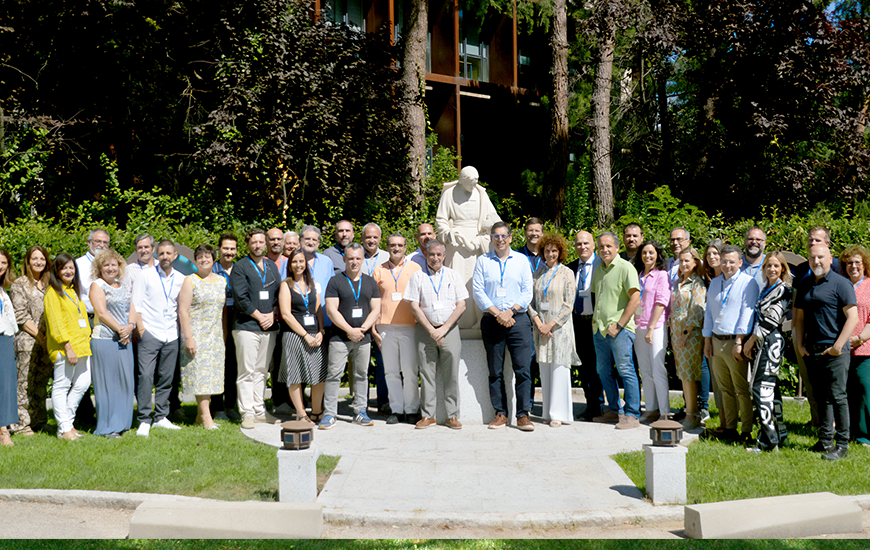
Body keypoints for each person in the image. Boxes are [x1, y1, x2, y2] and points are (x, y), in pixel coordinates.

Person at [794, 245, 857, 461]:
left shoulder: (842, 284)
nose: (816, 261)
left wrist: (839, 345)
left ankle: (842, 445)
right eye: (812, 258)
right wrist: (800, 343)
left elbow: (853, 318)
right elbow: (799, 319)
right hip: (813, 350)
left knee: (838, 397)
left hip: (835, 351)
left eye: (821, 257)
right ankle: (825, 440)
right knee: (821, 397)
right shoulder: (804, 284)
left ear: (830, 259)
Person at [472, 221, 535, 431]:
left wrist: (511, 311)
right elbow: (478, 291)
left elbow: (528, 291)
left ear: (510, 237)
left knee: (523, 369)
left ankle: (523, 415)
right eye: (496, 236)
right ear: (491, 238)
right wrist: (498, 313)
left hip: (519, 320)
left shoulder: (521, 260)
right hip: (492, 320)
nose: (500, 240)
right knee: (495, 371)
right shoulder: (483, 261)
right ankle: (500, 413)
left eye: (504, 236)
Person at [405, 240, 467, 429]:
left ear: (444, 255)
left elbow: (461, 305)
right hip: (425, 331)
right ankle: (428, 415)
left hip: (449, 330)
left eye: (439, 254)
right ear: (426, 255)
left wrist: (443, 328)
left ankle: (452, 415)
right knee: (426, 374)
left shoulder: (453, 276)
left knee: (451, 374)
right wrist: (432, 330)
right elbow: (414, 306)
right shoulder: (417, 277)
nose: (435, 258)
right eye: (432, 254)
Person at [702, 244, 759, 442]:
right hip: (716, 341)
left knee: (741, 388)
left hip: (735, 342)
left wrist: (739, 341)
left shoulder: (748, 283)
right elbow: (709, 313)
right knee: (724, 388)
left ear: (740, 263)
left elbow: (746, 313)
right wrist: (707, 340)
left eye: (732, 262)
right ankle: (729, 427)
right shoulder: (715, 282)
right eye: (724, 261)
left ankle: (746, 431)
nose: (727, 265)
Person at [322, 243, 381, 429]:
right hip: (340, 337)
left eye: (358, 258)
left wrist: (362, 329)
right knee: (334, 375)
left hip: (363, 337)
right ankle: (330, 413)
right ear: (345, 259)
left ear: (362, 260)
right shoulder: (335, 281)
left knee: (362, 375)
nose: (354, 262)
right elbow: (331, 311)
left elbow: (376, 309)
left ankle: (360, 411)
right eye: (351, 258)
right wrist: (349, 330)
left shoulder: (370, 282)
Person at [437, 166, 501, 330]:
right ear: (463, 180)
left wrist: (484, 235)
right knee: (456, 280)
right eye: (470, 183)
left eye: (476, 182)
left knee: (476, 282)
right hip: (456, 243)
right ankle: (457, 321)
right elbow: (441, 220)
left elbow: (492, 218)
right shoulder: (449, 194)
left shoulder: (481, 194)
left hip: (477, 242)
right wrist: (448, 234)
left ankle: (478, 321)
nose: (474, 186)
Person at [132, 241, 185, 436]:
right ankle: (145, 419)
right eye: (161, 253)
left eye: (168, 253)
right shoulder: (145, 276)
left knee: (166, 378)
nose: (165, 256)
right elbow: (136, 305)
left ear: (175, 255)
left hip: (171, 334)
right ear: (156, 253)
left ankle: (161, 416)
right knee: (145, 376)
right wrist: (141, 329)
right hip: (150, 332)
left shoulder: (181, 279)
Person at [231, 228, 282, 430]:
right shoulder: (240, 267)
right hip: (247, 326)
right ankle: (247, 413)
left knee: (262, 371)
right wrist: (260, 316)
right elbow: (240, 298)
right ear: (248, 244)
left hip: (269, 327)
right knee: (247, 371)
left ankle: (260, 411)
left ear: (266, 244)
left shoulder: (271, 266)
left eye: (262, 242)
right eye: (254, 242)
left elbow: (279, 293)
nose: (258, 245)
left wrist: (274, 312)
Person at [527, 234, 580, 427]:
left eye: (554, 251)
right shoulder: (537, 273)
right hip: (540, 329)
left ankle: (559, 413)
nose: (550, 254)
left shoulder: (567, 273)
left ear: (560, 252)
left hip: (559, 329)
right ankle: (548, 412)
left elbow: (568, 304)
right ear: (542, 252)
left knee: (558, 368)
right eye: (547, 250)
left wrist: (550, 325)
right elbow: (529, 302)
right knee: (545, 368)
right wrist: (539, 322)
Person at [591, 232, 642, 430]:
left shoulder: (625, 268)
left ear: (617, 248)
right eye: (601, 247)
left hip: (619, 330)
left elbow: (635, 299)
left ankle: (632, 414)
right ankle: (614, 410)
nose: (604, 250)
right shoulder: (599, 270)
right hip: (600, 330)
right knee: (603, 371)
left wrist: (619, 325)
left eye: (608, 246)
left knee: (626, 370)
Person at [742, 251, 792, 452]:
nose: (772, 269)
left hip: (770, 342)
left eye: (776, 266)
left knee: (760, 388)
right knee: (771, 389)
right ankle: (780, 434)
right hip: (764, 342)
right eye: (769, 265)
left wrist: (751, 340)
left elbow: (772, 319)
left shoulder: (784, 290)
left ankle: (768, 441)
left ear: (783, 269)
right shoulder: (766, 288)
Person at [372, 233, 422, 424]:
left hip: (410, 326)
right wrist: (374, 325)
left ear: (405, 247)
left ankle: (411, 410)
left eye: (400, 245)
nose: (396, 248)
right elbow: (374, 299)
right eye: (392, 245)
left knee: (410, 371)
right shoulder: (379, 270)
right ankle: (396, 409)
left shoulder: (415, 268)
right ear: (387, 247)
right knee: (391, 371)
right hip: (386, 327)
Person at [88, 250, 136, 438]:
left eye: (113, 264)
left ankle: (123, 423)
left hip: (125, 340)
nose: (110, 268)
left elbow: (132, 307)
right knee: (108, 385)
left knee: (124, 382)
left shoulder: (123, 285)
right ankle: (108, 427)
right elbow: (101, 312)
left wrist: (130, 326)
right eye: (106, 265)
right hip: (106, 340)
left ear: (119, 267)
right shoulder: (97, 285)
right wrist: (121, 329)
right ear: (99, 268)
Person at [44, 253, 92, 440]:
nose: (69, 270)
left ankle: (67, 423)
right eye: (64, 267)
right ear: (56, 271)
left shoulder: (72, 291)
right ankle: (64, 428)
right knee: (62, 386)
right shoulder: (53, 293)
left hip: (82, 346)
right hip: (66, 348)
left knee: (83, 383)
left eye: (71, 267)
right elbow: (56, 323)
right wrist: (67, 346)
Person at [178, 245, 227, 430]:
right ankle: (207, 418)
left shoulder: (222, 281)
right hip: (196, 334)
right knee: (200, 377)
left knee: (212, 377)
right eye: (200, 257)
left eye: (207, 256)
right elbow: (183, 311)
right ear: (195, 260)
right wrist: (189, 338)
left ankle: (200, 415)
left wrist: (223, 335)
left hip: (214, 336)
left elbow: (223, 310)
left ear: (213, 259)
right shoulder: (190, 281)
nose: (204, 259)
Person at [277, 249, 326, 424]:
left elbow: (319, 310)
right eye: (295, 261)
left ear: (306, 264)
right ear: (290, 265)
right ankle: (301, 413)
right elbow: (286, 314)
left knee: (319, 375)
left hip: (315, 335)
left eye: (301, 261)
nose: (298, 265)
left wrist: (321, 331)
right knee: (295, 376)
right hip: (294, 336)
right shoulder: (286, 285)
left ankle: (317, 411)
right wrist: (305, 335)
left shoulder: (313, 284)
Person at [9, 245, 51, 436]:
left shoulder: (50, 283)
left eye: (42, 258)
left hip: (48, 342)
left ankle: (39, 420)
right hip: (28, 342)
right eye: (35, 258)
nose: (39, 262)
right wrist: (40, 337)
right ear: (28, 261)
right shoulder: (20, 284)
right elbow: (21, 316)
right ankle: (21, 424)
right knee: (24, 383)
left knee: (41, 383)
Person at [632, 240, 671, 423]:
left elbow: (662, 302)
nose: (648, 256)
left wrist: (650, 327)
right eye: (644, 253)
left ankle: (664, 411)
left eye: (651, 252)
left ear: (657, 255)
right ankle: (650, 409)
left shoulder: (662, 275)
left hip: (654, 327)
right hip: (638, 326)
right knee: (645, 371)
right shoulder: (639, 275)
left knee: (657, 370)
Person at [669, 247, 707, 431]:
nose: (683, 264)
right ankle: (690, 412)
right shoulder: (679, 282)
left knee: (688, 375)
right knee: (683, 375)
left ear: (695, 263)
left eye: (687, 261)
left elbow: (697, 310)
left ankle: (692, 415)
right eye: (681, 261)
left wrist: (685, 335)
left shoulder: (696, 283)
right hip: (676, 336)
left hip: (689, 336)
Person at [568, 231, 603, 421]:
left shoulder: (602, 265)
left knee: (599, 366)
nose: (583, 247)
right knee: (584, 366)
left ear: (593, 245)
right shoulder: (571, 268)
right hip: (578, 323)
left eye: (586, 243)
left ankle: (599, 405)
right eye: (579, 244)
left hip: (596, 322)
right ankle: (590, 405)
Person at [361, 222, 390, 415]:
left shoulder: (389, 257)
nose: (371, 240)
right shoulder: (354, 255)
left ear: (380, 239)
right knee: (361, 364)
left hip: (382, 317)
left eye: (375, 237)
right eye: (368, 237)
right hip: (359, 318)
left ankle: (384, 401)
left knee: (384, 361)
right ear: (362, 239)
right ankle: (360, 403)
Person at [843, 246, 870, 446]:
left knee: (864, 390)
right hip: (841, 348)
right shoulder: (841, 285)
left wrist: (860, 338)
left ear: (864, 265)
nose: (853, 266)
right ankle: (849, 432)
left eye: (857, 262)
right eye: (849, 263)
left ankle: (865, 435)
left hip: (864, 347)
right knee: (846, 391)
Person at [211, 233, 240, 421]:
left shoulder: (240, 269)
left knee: (233, 365)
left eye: (232, 249)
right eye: (225, 248)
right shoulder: (211, 269)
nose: (229, 252)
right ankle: (217, 407)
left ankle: (231, 405)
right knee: (217, 364)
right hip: (216, 320)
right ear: (219, 249)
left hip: (236, 319)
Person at [300, 225, 336, 324]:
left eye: (314, 240)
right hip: (299, 317)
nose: (311, 242)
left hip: (325, 317)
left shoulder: (326, 261)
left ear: (318, 243)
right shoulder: (292, 262)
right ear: (300, 240)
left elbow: (332, 289)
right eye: (307, 239)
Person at [0, 250, 18, 446]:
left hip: (5, 338)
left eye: (4, 262)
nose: (1, 265)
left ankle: (4, 430)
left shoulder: (4, 289)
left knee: (5, 385)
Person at [76, 229, 111, 317]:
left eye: (105, 242)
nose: (102, 245)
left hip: (110, 316)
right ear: (89, 242)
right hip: (88, 316)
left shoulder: (113, 265)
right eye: (98, 241)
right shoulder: (78, 264)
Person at [742, 226, 767, 291]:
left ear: (764, 244)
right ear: (745, 242)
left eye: (758, 239)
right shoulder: (735, 264)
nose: (754, 242)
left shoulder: (770, 264)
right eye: (750, 239)